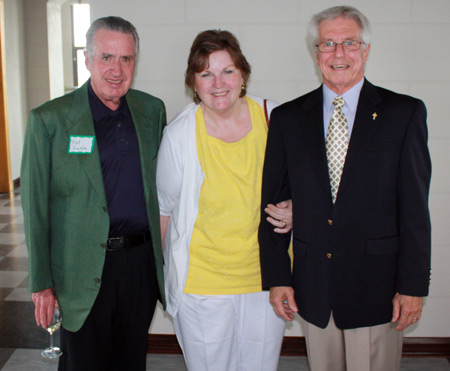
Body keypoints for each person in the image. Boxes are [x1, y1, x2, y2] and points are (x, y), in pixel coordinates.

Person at [259, 5, 431, 371]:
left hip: (378, 290)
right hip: (313, 289)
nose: (339, 54)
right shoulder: (288, 119)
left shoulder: (404, 114)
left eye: (349, 43)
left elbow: (415, 209)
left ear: (365, 49)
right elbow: (273, 207)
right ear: (316, 52)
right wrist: (277, 278)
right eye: (328, 44)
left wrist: (413, 286)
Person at [21, 16, 166, 370]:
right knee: (83, 362)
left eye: (126, 59)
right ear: (87, 59)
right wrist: (42, 283)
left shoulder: (152, 111)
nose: (116, 69)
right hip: (80, 266)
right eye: (106, 57)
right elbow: (34, 208)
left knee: (131, 360)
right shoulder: (50, 120)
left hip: (139, 264)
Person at [156, 30, 292, 371]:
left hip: (265, 281)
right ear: (193, 81)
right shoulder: (179, 135)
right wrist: (168, 273)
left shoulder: (274, 118)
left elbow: (308, 186)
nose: (218, 83)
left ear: (243, 74)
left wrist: (298, 211)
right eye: (206, 74)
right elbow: (164, 212)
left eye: (227, 71)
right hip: (202, 285)